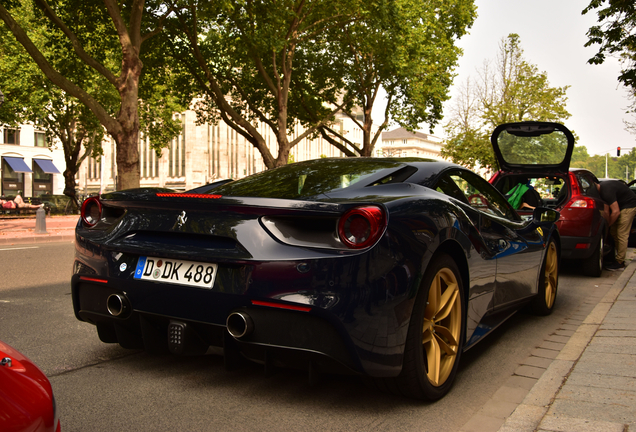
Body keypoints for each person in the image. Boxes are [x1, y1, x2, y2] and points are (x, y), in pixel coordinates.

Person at [595, 179, 636, 270]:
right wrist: (607, 226)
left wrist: (608, 225)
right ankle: (619, 257)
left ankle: (620, 262)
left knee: (621, 234)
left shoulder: (606, 192)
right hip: (621, 206)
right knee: (614, 232)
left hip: (629, 206)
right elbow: (606, 211)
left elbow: (616, 212)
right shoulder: (601, 190)